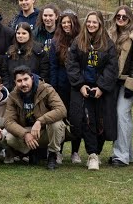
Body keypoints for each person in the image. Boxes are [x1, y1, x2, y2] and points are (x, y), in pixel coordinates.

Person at [67, 10, 118, 171]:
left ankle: (97, 151)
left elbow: (112, 67)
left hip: (101, 89)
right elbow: (72, 64)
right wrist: (80, 85)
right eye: (89, 22)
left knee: (101, 121)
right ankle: (92, 154)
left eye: (95, 22)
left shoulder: (108, 44)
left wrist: (101, 87)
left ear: (100, 24)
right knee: (87, 121)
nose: (91, 24)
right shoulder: (78, 42)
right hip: (83, 88)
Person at [3, 66, 67, 171]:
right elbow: (8, 121)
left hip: (46, 130)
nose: (23, 84)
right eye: (19, 81)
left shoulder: (46, 89)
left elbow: (61, 110)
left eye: (26, 79)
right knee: (8, 137)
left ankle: (52, 154)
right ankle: (31, 152)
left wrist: (40, 121)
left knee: (56, 124)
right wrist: (25, 134)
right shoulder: (13, 96)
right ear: (15, 82)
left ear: (32, 78)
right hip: (28, 131)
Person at [107, 6, 133, 167]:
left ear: (130, 18)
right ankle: (127, 154)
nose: (121, 19)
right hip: (114, 81)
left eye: (124, 17)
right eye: (118, 16)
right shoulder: (111, 34)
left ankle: (121, 155)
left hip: (129, 81)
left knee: (121, 113)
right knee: (122, 116)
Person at [41, 10, 82, 165]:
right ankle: (58, 151)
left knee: (76, 118)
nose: (66, 25)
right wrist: (53, 87)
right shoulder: (55, 42)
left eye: (68, 22)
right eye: (63, 22)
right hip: (61, 85)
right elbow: (53, 66)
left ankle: (75, 151)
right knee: (61, 119)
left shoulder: (81, 40)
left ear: (74, 23)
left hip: (77, 85)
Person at [2, 23, 40, 90]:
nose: (20, 36)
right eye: (18, 33)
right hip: (13, 89)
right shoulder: (10, 51)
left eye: (24, 33)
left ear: (29, 34)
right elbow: (4, 71)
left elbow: (44, 71)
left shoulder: (37, 50)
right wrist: (8, 86)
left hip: (33, 89)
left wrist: (37, 86)